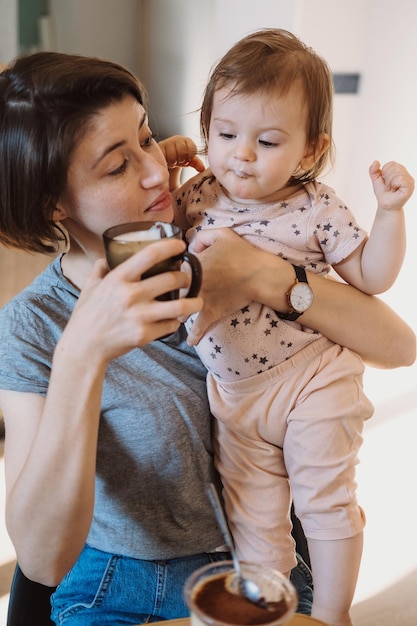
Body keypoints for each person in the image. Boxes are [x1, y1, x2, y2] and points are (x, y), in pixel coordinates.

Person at [0, 52, 414, 626]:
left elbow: (400, 347)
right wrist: (81, 355)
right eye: (117, 166)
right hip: (122, 587)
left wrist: (265, 275)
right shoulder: (35, 324)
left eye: (147, 139)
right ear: (53, 203)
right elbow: (42, 560)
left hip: (261, 554)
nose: (152, 171)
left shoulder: (226, 228)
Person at [173, 29, 415, 626]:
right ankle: (271, 610)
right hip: (236, 397)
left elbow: (371, 276)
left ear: (309, 151)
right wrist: (157, 159)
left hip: (314, 378)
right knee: (253, 517)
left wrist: (390, 213)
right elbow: (142, 227)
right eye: (225, 134)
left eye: (268, 140)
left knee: (325, 502)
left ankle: (333, 614)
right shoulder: (195, 196)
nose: (241, 154)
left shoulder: (317, 205)